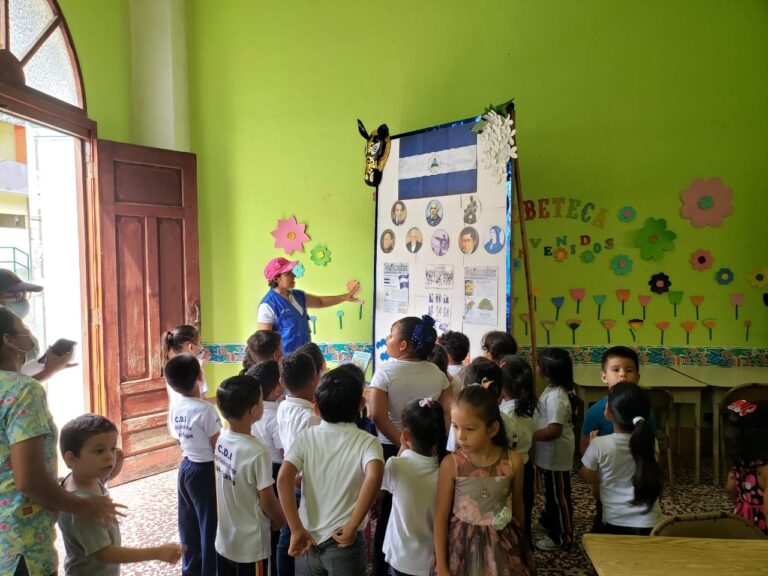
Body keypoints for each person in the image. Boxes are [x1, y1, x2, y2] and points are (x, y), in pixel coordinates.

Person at [0, 307, 119, 576]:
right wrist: (83, 506)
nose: (30, 336)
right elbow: (28, 480)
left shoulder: (16, 389)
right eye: (24, 330)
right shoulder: (24, 391)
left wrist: (48, 370)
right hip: (21, 546)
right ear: (9, 340)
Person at [277, 368, 384, 576]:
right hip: (345, 542)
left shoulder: (306, 437)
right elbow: (375, 475)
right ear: (361, 405)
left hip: (308, 540)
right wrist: (353, 525)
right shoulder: (368, 442)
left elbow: (283, 479)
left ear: (316, 409)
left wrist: (296, 528)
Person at [369, 315, 452, 576]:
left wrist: (403, 444)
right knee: (430, 507)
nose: (387, 339)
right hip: (429, 449)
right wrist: (424, 443)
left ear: (403, 344)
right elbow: (448, 414)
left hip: (392, 448)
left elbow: (376, 415)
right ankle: (430, 559)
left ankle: (384, 565)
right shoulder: (438, 374)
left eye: (391, 335)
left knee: (390, 512)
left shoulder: (385, 372)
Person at [57, 414, 182, 574]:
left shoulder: (81, 478)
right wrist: (156, 553)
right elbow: (105, 554)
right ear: (71, 459)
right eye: (99, 451)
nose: (110, 456)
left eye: (112, 448)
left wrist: (116, 467)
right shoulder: (84, 509)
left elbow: (103, 481)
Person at [433, 385, 534, 576]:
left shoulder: (513, 461)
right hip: (462, 547)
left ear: (492, 428)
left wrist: (522, 545)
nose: (460, 436)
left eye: (469, 429)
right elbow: (440, 515)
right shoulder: (451, 464)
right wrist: (442, 567)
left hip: (502, 546)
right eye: (455, 426)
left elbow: (518, 506)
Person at [215, 374, 287, 575]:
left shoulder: (222, 439)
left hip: (225, 540)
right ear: (254, 410)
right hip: (251, 547)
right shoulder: (257, 451)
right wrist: (281, 520)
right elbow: (267, 500)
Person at [580, 346, 652, 532]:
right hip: (609, 489)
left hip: (628, 495)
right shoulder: (595, 412)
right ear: (604, 376)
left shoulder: (646, 413)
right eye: (616, 369)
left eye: (629, 370)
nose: (622, 375)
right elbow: (584, 451)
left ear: (637, 376)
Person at [580, 383, 664, 535]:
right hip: (653, 525)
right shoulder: (651, 442)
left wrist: (593, 452)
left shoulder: (599, 444)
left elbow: (587, 477)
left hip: (615, 524)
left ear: (608, 413)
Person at [165, 353, 221, 576]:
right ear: (200, 375)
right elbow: (217, 446)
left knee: (188, 525)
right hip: (206, 471)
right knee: (209, 526)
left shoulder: (176, 407)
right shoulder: (205, 410)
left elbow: (178, 438)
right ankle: (210, 571)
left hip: (186, 467)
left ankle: (190, 570)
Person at [381, 398, 446, 576]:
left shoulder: (396, 465)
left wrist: (403, 446)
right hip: (432, 560)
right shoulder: (446, 471)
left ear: (405, 435)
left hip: (401, 557)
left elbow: (389, 483)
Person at [275, 352, 321, 576]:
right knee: (297, 535)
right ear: (314, 379)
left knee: (287, 536)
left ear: (282, 382)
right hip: (302, 483)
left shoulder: (283, 407)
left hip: (289, 477)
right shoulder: (311, 417)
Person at [257, 257, 360, 354]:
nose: (294, 275)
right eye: (288, 273)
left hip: (305, 357)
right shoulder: (268, 305)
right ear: (276, 279)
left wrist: (345, 297)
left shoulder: (298, 295)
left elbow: (320, 301)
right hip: (285, 362)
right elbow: (265, 345)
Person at [532, 348, 576, 550]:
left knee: (559, 498)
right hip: (548, 456)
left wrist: (530, 436)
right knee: (551, 494)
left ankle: (562, 536)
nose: (536, 368)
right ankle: (548, 521)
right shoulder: (552, 390)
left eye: (538, 365)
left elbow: (554, 430)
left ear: (547, 371)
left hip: (556, 457)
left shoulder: (557, 397)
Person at [246, 361, 284, 576]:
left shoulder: (252, 412)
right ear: (276, 389)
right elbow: (285, 451)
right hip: (274, 471)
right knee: (276, 527)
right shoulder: (277, 416)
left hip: (256, 470)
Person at [499, 355, 538, 541]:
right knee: (524, 509)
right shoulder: (530, 407)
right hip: (527, 465)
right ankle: (525, 545)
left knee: (509, 513)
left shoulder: (504, 413)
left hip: (510, 470)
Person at [724, 400, 768, 534]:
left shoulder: (740, 463)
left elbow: (730, 487)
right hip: (761, 530)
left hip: (742, 522)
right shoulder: (765, 469)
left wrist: (743, 504)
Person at [163, 325, 212, 437]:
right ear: (191, 347)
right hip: (192, 426)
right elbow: (202, 400)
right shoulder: (195, 370)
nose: (201, 347)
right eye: (200, 343)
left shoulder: (170, 365)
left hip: (176, 425)